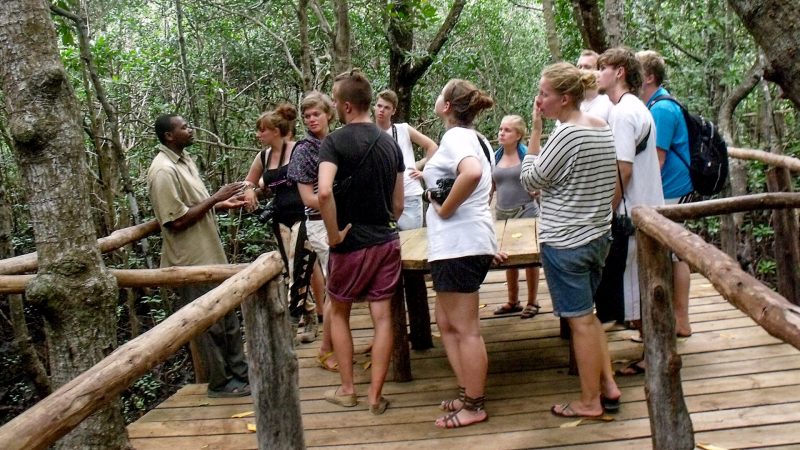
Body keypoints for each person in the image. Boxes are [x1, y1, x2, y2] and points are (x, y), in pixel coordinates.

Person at [520, 62, 622, 418]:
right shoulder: (601, 127)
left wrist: (534, 131)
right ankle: (608, 384)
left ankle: (590, 401)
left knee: (579, 322)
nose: (539, 100)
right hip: (596, 237)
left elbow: (530, 180)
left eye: (544, 94)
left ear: (564, 98)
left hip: (566, 242)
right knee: (589, 316)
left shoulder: (567, 134)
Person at [317, 69, 404, 415]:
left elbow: (324, 192)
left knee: (339, 311)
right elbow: (398, 206)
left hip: (350, 242)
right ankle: (375, 397)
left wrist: (335, 233)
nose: (336, 107)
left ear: (348, 106)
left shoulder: (334, 142)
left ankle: (348, 389)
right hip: (385, 239)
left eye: (336, 101)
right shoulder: (390, 144)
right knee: (382, 317)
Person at [147, 114, 250, 398]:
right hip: (190, 263)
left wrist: (221, 204)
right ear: (169, 136)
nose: (190, 130)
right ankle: (220, 383)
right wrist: (215, 197)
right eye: (184, 127)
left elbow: (192, 206)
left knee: (228, 320)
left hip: (211, 256)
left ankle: (241, 373)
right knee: (208, 327)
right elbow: (175, 220)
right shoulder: (163, 171)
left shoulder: (185, 161)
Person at [424, 79, 497, 428]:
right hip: (464, 242)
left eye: (440, 93)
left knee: (466, 328)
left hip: (459, 244)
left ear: (448, 106)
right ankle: (468, 390)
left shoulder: (456, 137)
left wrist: (445, 209)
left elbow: (473, 173)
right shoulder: (478, 138)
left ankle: (474, 405)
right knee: (446, 322)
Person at [596, 47, 665, 375]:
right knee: (640, 284)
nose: (598, 74)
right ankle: (651, 352)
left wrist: (604, 212)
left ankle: (653, 356)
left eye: (603, 68)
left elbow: (622, 169)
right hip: (644, 208)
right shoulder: (631, 107)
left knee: (637, 286)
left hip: (633, 211)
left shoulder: (624, 113)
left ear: (620, 71)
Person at [241, 104, 319, 344]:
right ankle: (311, 315)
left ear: (276, 131)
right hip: (280, 218)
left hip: (304, 215)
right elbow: (249, 181)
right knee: (289, 271)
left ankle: (291, 324)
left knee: (298, 269)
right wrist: (251, 191)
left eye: (262, 130)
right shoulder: (263, 156)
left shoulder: (299, 150)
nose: (258, 135)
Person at [637, 50, 694, 339]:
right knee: (671, 253)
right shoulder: (654, 105)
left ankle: (680, 319)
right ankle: (672, 317)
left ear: (648, 77)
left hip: (672, 190)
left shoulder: (661, 109)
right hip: (666, 189)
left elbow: (656, 160)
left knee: (674, 254)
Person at [287, 91, 339, 370]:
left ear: (328, 114)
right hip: (319, 224)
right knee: (336, 289)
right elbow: (308, 198)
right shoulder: (304, 150)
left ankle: (336, 346)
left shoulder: (338, 141)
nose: (311, 120)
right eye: (306, 116)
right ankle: (326, 350)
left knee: (342, 287)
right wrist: (336, 199)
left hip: (345, 220)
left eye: (316, 114)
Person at [491, 115, 542, 319]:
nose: (501, 133)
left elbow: (538, 179)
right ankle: (513, 300)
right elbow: (491, 185)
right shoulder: (495, 156)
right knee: (507, 256)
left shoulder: (526, 155)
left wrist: (536, 190)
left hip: (526, 211)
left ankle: (533, 301)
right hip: (502, 212)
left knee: (530, 259)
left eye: (507, 130)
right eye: (501, 129)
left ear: (518, 135)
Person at [374, 89, 439, 230]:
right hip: (383, 200)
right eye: (379, 106)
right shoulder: (369, 134)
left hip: (410, 196)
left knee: (411, 244)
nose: (381, 111)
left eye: (386, 108)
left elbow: (432, 146)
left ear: (393, 111)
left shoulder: (403, 129)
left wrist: (423, 170)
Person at [576, 50, 613, 122]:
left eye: (587, 67)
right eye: (579, 67)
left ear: (598, 70)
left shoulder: (609, 102)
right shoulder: (571, 100)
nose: (582, 71)